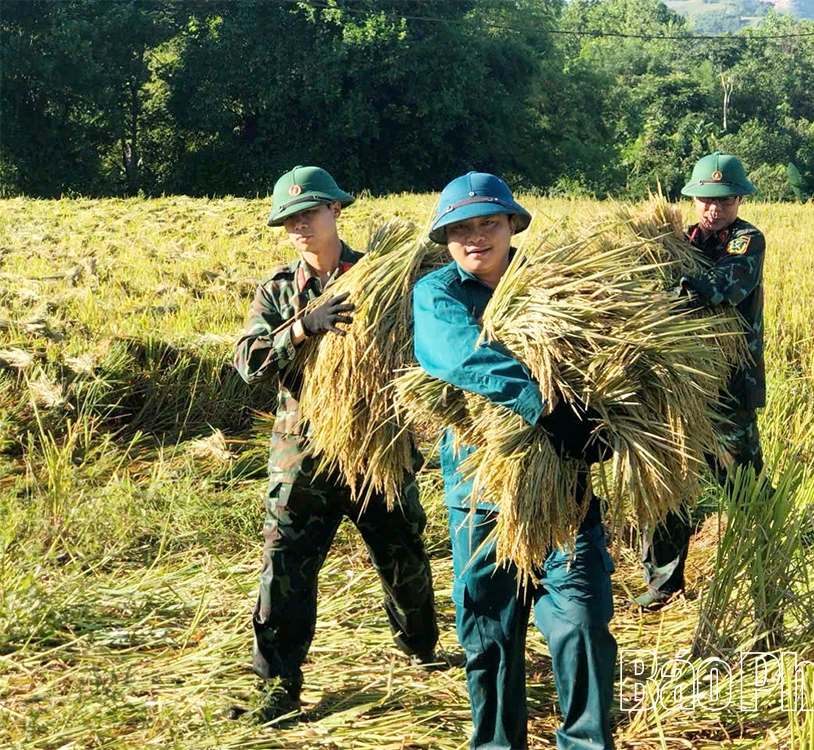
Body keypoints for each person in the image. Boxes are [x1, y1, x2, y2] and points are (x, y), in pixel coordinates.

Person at [412, 171, 617, 750]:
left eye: (489, 223)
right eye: (462, 228)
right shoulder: (438, 293)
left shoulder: (556, 282)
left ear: (511, 226)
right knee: (489, 631)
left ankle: (586, 743)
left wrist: (604, 418)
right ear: (446, 239)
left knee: (579, 623)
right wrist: (546, 407)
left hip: (564, 483)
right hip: (479, 489)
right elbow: (456, 354)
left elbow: (613, 350)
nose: (477, 237)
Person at [231, 165, 440, 723]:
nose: (300, 225)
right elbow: (247, 362)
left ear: (336, 212)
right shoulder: (278, 290)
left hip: (378, 448)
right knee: (285, 568)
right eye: (290, 218)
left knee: (405, 561)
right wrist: (301, 326)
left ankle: (421, 645)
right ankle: (276, 687)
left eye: (310, 213)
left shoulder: (384, 276)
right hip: (304, 458)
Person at [636, 152, 767, 611]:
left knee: (742, 484)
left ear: (738, 201)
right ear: (693, 199)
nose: (715, 210)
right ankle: (662, 584)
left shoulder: (746, 241)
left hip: (728, 387)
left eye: (725, 201)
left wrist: (663, 296)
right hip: (676, 386)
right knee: (668, 482)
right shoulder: (676, 240)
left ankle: (765, 566)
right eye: (706, 200)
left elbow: (722, 288)